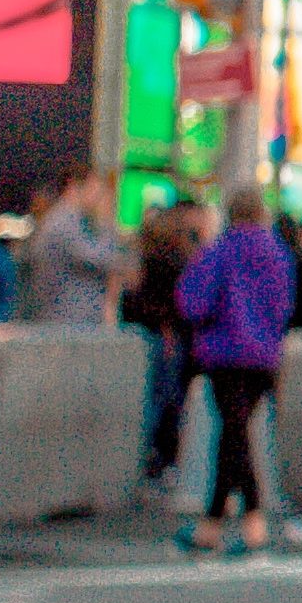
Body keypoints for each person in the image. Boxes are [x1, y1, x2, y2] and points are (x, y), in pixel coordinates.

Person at [175, 178, 301, 557]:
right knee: (235, 436)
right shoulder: (278, 253)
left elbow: (192, 302)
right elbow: (285, 306)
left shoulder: (221, 250)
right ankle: (213, 527)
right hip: (264, 357)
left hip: (225, 353)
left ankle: (252, 523)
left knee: (234, 436)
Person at [125, 186, 204, 507]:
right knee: (166, 401)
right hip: (169, 338)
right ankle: (158, 464)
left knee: (160, 401)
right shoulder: (175, 259)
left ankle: (152, 463)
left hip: (161, 336)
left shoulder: (148, 257)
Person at [19, 174, 129, 331]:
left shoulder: (73, 220)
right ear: (74, 186)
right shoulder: (64, 221)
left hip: (68, 318)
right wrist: (107, 221)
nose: (99, 196)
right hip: (67, 319)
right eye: (96, 190)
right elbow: (105, 258)